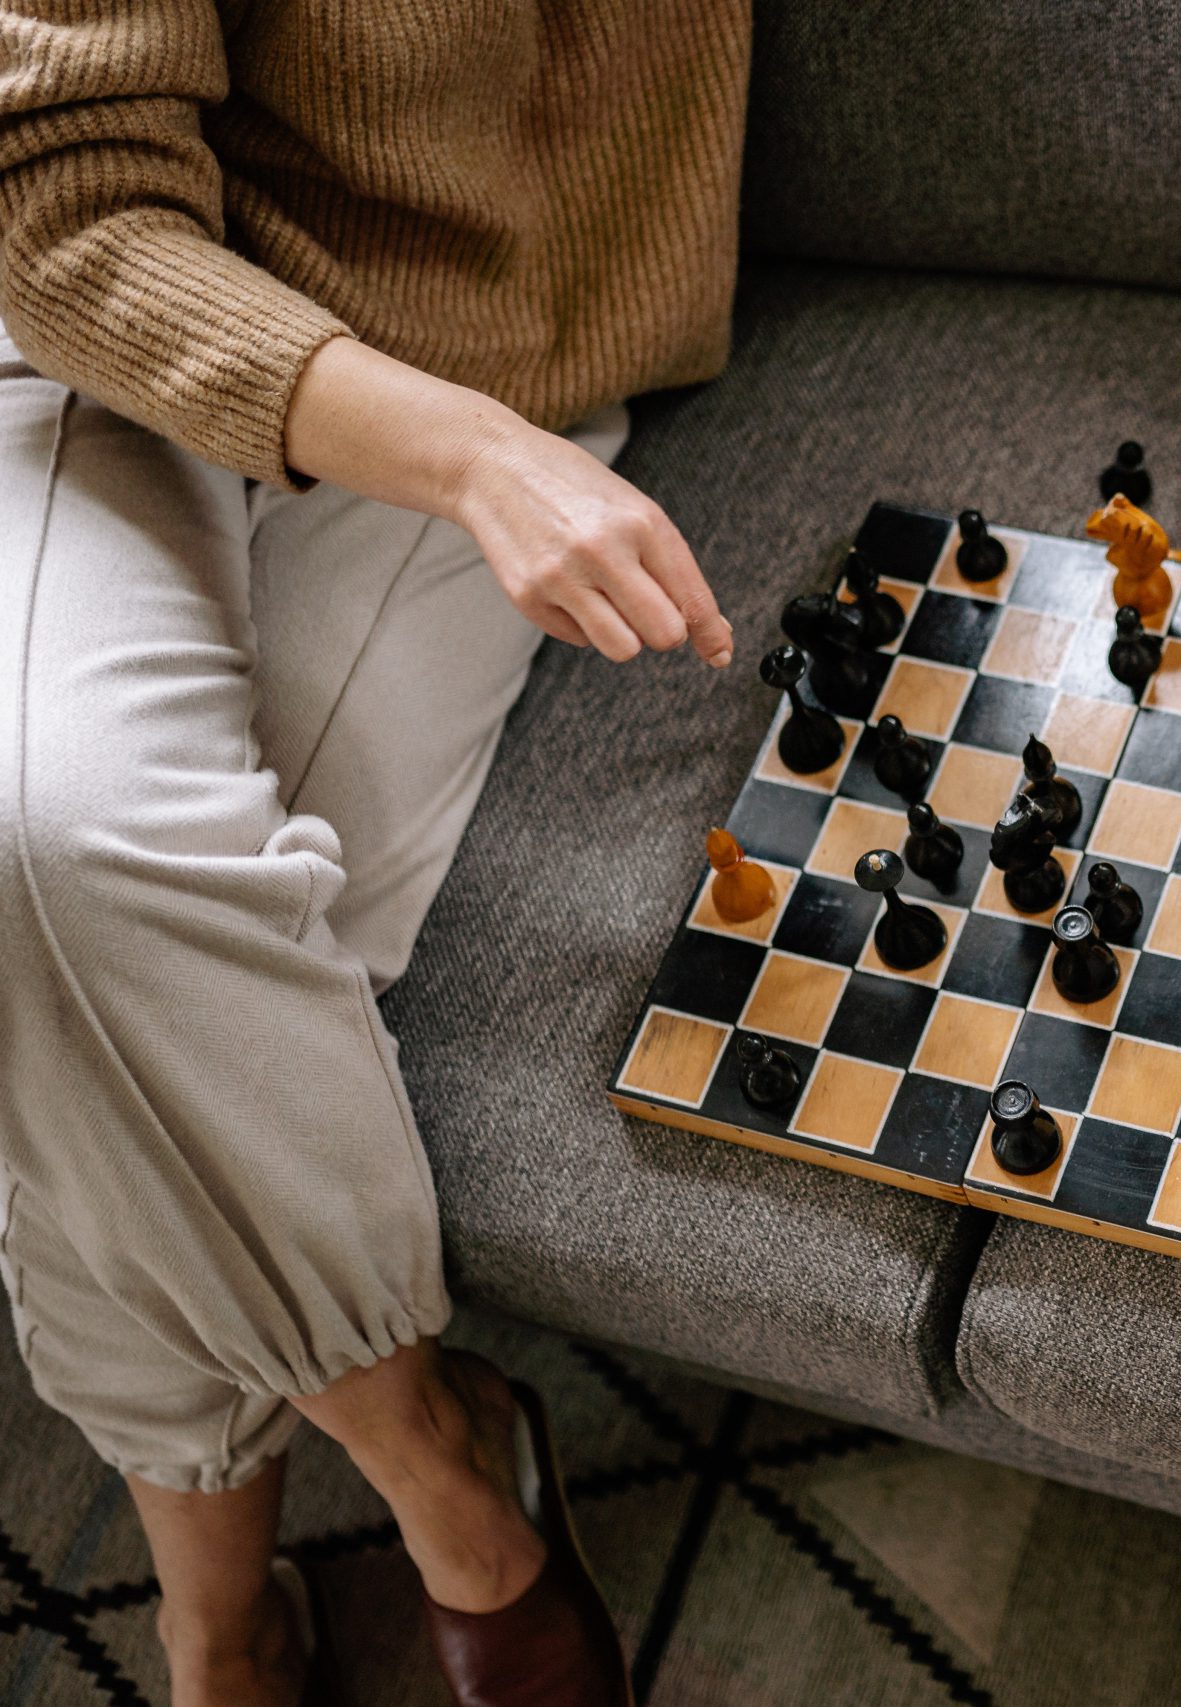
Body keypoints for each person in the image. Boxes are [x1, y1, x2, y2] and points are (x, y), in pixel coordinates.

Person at [0, 3, 754, 1702]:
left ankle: (220, 1627)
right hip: (81, 319)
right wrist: (483, 462)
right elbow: (62, 210)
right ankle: (437, 1466)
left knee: (141, 977)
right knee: (40, 841)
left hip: (459, 343)